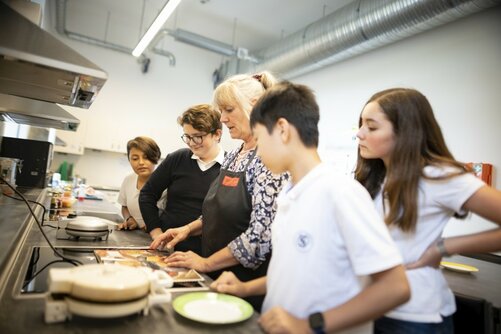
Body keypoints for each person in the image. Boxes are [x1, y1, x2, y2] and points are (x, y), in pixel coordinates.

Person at [209, 81, 410, 334]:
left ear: (282, 130)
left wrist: (309, 324)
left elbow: (396, 287)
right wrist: (245, 288)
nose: (258, 154)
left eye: (259, 140)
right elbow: (294, 272)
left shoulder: (340, 193)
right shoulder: (288, 194)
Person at [355, 88, 501, 333]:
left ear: (405, 132)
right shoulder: (378, 177)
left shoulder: (436, 176)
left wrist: (444, 247)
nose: (359, 133)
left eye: (371, 127)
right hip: (373, 306)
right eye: (361, 124)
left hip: (414, 317)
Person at [150, 72, 289, 310]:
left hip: (243, 284)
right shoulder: (235, 155)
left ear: (255, 107)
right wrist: (187, 229)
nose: (222, 119)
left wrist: (205, 263)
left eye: (229, 110)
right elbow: (218, 212)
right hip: (215, 275)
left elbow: (258, 239)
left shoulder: (270, 159)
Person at [139, 104, 223, 254]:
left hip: (204, 253)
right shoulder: (178, 159)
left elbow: (223, 216)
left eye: (197, 137)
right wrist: (156, 233)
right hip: (165, 247)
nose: (191, 143)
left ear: (217, 134)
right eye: (187, 136)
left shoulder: (230, 168)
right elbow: (147, 195)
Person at [117, 136, 161, 231]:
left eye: (146, 158)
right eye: (135, 158)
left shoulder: (165, 183)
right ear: (129, 160)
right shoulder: (128, 179)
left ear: (156, 158)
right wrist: (129, 219)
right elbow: (124, 206)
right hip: (135, 235)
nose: (141, 163)